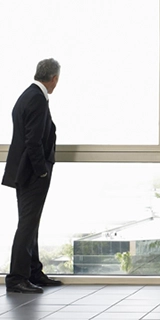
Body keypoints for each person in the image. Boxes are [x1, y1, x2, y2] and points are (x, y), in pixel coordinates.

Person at [2, 58, 63, 294]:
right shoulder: (37, 99)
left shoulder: (27, 95)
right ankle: (17, 278)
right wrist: (42, 170)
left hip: (23, 171)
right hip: (32, 173)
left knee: (30, 223)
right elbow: (33, 140)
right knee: (27, 225)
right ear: (54, 79)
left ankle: (33, 271)